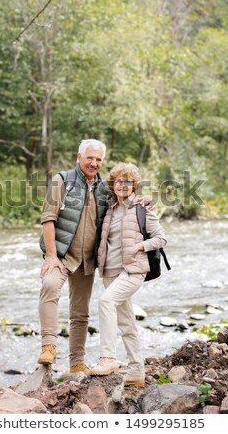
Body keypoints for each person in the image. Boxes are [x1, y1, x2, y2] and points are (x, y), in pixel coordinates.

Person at [89, 162, 167, 387]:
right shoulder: (110, 208)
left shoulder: (143, 209)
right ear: (113, 185)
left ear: (135, 185)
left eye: (128, 182)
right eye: (119, 182)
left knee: (105, 302)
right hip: (109, 272)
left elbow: (161, 238)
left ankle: (108, 358)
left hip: (133, 270)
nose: (123, 185)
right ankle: (136, 372)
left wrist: (140, 246)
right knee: (127, 323)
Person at [37, 139, 108, 374]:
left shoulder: (104, 189)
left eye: (98, 159)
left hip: (87, 260)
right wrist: (51, 257)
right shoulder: (63, 180)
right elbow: (48, 218)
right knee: (49, 286)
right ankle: (48, 345)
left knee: (80, 314)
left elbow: (126, 200)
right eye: (90, 158)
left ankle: (77, 363)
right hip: (62, 255)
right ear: (79, 157)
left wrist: (144, 202)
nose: (94, 163)